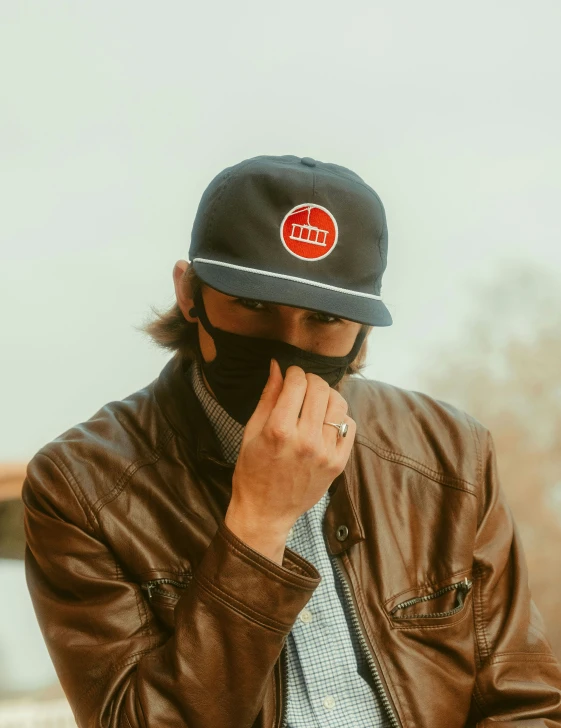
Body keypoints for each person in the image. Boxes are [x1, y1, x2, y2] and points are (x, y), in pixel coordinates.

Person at [23, 154, 561, 728]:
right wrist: (257, 524)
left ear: (362, 330)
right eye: (253, 306)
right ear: (189, 293)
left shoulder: (451, 453)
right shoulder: (80, 487)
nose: (288, 345)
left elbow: (523, 703)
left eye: (325, 320)